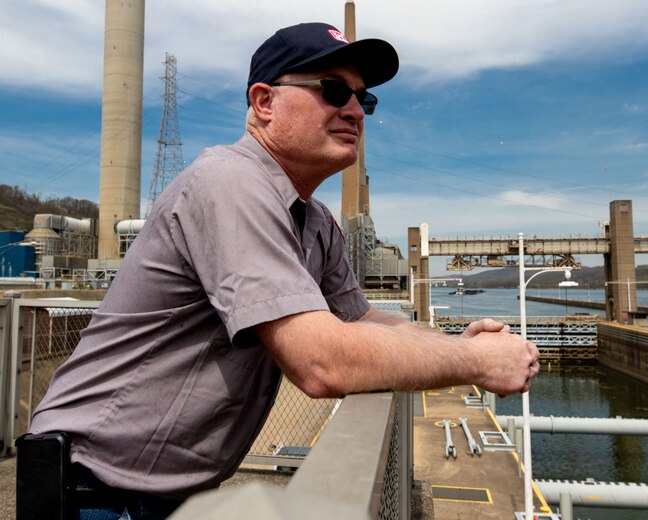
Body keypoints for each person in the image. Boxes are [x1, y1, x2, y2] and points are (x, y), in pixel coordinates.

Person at [28, 22, 540, 519]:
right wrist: (477, 362)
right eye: (335, 90)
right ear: (264, 103)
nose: (356, 110)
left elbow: (359, 321)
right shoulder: (227, 183)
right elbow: (322, 364)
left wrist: (454, 341)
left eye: (366, 99)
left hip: (164, 491)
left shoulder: (314, 218)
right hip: (96, 486)